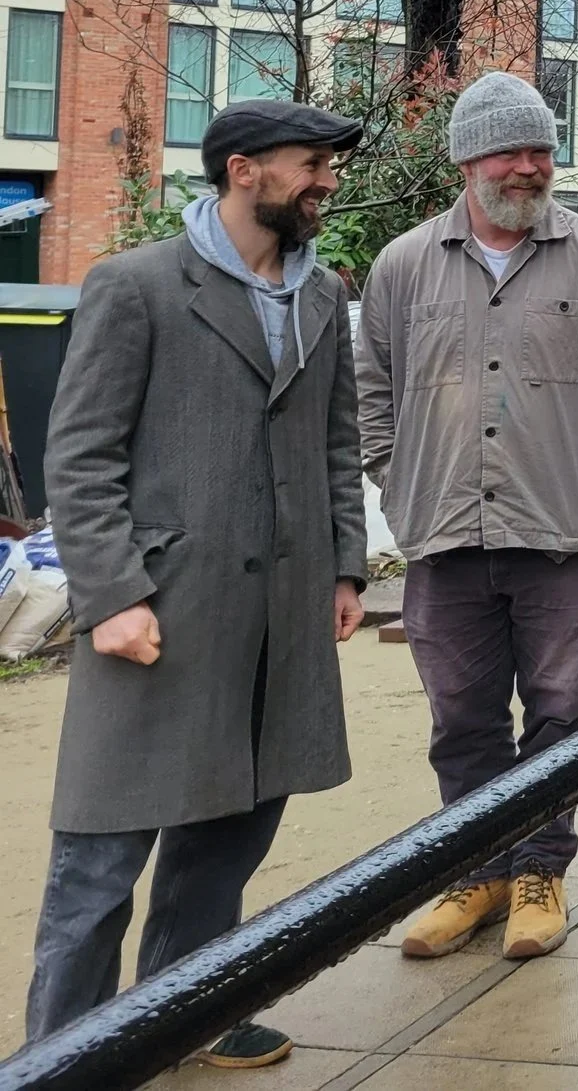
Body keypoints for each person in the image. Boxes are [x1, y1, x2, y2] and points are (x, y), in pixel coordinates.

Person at [31, 100, 369, 1067]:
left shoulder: (319, 294)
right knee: (100, 856)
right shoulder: (133, 285)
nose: (327, 180)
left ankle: (181, 1014)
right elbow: (81, 456)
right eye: (311, 163)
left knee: (230, 832)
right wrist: (111, 594)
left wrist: (346, 563)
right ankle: (66, 1056)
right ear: (243, 170)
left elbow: (336, 443)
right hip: (160, 614)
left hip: (280, 617)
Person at [360, 72, 578, 963]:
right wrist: (395, 469)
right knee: (462, 716)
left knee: (561, 716)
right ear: (467, 159)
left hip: (566, 536)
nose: (530, 168)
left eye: (541, 151)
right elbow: (371, 382)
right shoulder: (404, 264)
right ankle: (476, 870)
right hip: (444, 534)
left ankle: (539, 870)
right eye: (511, 151)